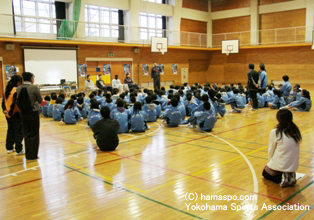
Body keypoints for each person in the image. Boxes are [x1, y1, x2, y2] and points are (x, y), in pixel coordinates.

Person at [262, 109, 301, 187]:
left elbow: (271, 149)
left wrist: (270, 163)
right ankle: (288, 175)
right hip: (293, 166)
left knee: (265, 172)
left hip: (281, 165)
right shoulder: (295, 131)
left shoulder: (275, 132)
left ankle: (282, 178)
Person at [16, 72, 42, 160]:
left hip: (23, 113)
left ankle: (27, 153)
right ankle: (33, 155)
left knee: (26, 133)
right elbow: (40, 99)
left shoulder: (18, 88)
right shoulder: (34, 87)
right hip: (33, 112)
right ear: (31, 78)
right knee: (34, 133)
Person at [2, 75, 24, 155]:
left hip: (8, 114)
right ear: (18, 82)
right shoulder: (16, 90)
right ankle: (19, 149)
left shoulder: (7, 90)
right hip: (15, 113)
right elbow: (15, 104)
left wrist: (5, 111)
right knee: (18, 131)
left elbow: (3, 103)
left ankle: (9, 147)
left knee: (10, 130)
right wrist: (11, 112)